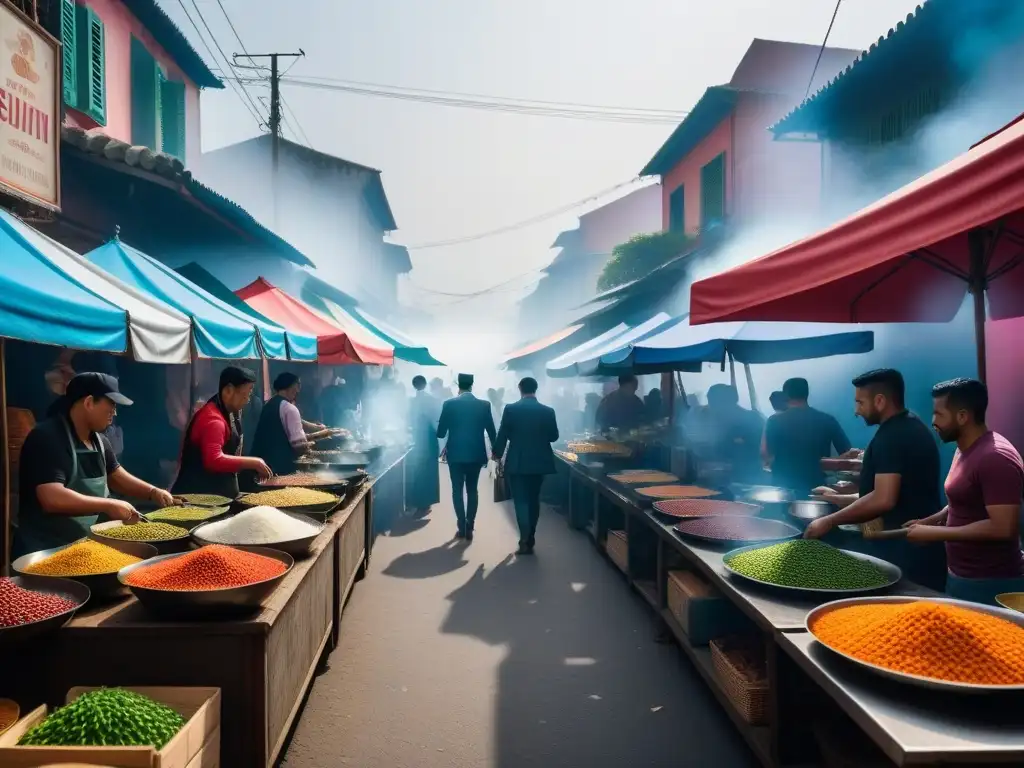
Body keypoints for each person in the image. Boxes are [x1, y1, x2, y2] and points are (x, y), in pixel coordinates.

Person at [805, 369, 944, 590]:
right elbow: (891, 493)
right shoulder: (909, 423)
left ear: (879, 401)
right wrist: (839, 498)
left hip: (908, 551)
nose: (856, 411)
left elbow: (883, 499)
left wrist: (829, 520)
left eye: (860, 403)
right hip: (914, 548)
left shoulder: (893, 436)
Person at [13, 373, 175, 558]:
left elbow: (116, 476)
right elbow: (52, 497)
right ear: (89, 403)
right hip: (46, 549)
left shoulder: (99, 440)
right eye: (111, 405)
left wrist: (153, 492)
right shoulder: (47, 437)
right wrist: (108, 505)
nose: (114, 413)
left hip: (86, 546)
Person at [902, 378, 1024, 604]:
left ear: (962, 416)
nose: (933, 421)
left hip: (991, 583)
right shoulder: (965, 449)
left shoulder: (995, 458)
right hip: (962, 577)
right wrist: (931, 521)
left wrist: (937, 534)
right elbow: (964, 498)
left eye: (939, 414)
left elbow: (1002, 527)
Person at [172, 366, 272, 498]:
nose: (248, 400)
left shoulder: (229, 412)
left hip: (217, 496)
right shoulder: (213, 420)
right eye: (245, 395)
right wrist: (255, 463)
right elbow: (213, 460)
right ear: (229, 391)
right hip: (197, 499)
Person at [492, 377, 559, 555]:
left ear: (520, 389)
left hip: (517, 461)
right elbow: (554, 436)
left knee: (521, 500)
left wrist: (496, 454)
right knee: (534, 498)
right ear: (535, 389)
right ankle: (531, 535)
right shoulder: (548, 411)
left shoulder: (511, 409)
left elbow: (503, 434)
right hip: (539, 461)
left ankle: (524, 538)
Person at [763, 378, 851, 493]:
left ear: (786, 395)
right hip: (816, 487)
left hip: (783, 488)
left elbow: (765, 453)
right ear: (807, 394)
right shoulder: (827, 419)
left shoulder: (774, 421)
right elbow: (847, 454)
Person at [437, 373, 496, 541]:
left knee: (457, 489)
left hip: (455, 454)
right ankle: (470, 525)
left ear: (458, 386)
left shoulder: (449, 404)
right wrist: (496, 452)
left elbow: (441, 433)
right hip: (476, 453)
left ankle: (461, 524)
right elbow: (492, 431)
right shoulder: (484, 405)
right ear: (472, 385)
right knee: (472, 489)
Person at [251, 373, 333, 477]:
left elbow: (296, 423)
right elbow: (299, 446)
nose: (298, 390)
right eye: (297, 385)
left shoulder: (270, 404)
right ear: (290, 386)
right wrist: (314, 452)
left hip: (260, 466)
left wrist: (317, 428)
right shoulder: (290, 409)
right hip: (280, 469)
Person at [406, 375, 441, 515]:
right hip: (430, 438)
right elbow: (438, 419)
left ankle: (418, 501)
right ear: (425, 384)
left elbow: (408, 420)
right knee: (430, 471)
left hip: (418, 438)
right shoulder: (432, 400)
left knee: (419, 471)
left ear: (414, 386)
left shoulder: (412, 401)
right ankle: (425, 502)